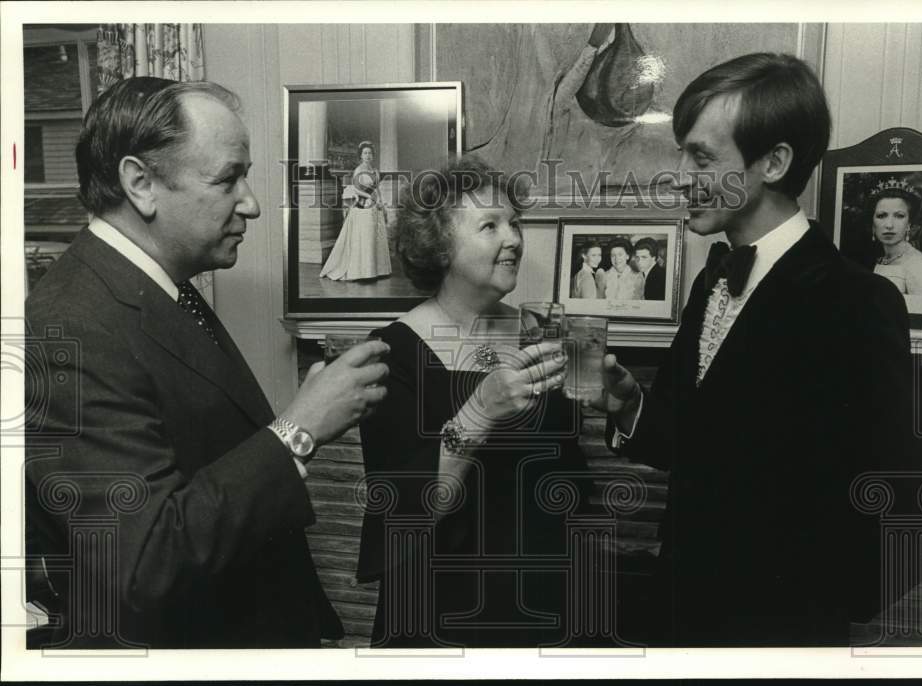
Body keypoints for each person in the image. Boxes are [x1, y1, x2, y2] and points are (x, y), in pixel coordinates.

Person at [592, 53, 922, 646]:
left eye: (703, 156)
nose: (680, 174)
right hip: (681, 614)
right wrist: (633, 408)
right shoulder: (711, 280)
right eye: (681, 152)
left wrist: (810, 608)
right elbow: (691, 448)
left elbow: (914, 503)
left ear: (775, 161)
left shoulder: (855, 300)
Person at [24, 77, 390, 649]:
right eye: (228, 179)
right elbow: (142, 563)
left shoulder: (165, 284)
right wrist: (299, 431)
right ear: (140, 183)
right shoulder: (70, 324)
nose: (253, 203)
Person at [356, 156, 598, 648]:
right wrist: (480, 410)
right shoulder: (391, 352)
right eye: (489, 225)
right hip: (447, 606)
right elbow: (408, 513)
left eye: (514, 222)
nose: (513, 237)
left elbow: (569, 471)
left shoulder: (543, 331)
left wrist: (601, 398)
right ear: (439, 247)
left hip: (549, 596)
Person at [319, 140, 392, 281]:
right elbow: (357, 189)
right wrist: (370, 197)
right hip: (363, 205)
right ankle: (363, 272)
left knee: (374, 237)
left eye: (370, 153)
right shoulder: (359, 170)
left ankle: (375, 271)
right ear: (361, 156)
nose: (368, 155)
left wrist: (381, 203)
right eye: (365, 153)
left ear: (373, 155)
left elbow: (377, 188)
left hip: (375, 206)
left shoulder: (375, 171)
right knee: (365, 237)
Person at [868, 181, 922, 306]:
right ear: (873, 225)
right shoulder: (881, 260)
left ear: (909, 224)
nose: (889, 225)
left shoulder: (920, 267)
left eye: (899, 216)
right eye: (881, 216)